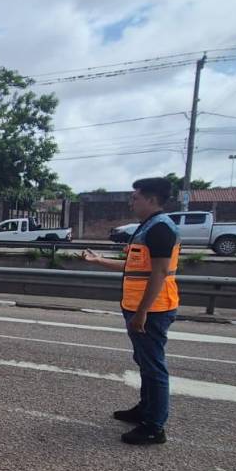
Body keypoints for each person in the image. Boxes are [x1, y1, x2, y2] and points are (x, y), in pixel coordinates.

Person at [83, 177, 180, 445]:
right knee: (145, 362)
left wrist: (142, 313)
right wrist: (98, 260)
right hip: (140, 307)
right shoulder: (147, 227)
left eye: (135, 197)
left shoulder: (160, 228)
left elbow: (159, 273)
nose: (131, 201)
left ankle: (154, 427)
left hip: (153, 309)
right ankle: (146, 410)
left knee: (153, 367)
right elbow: (134, 266)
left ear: (151, 199)